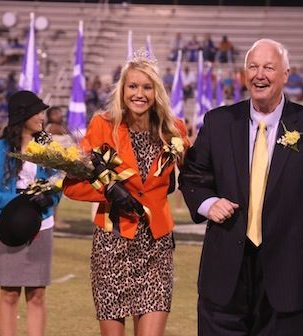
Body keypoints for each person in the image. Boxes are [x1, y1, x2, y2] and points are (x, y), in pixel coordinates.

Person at [179, 38, 303, 335]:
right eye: (253, 66)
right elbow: (192, 176)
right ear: (244, 73)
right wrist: (208, 203)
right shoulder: (218, 121)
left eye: (269, 67)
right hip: (225, 269)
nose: (259, 74)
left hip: (292, 270)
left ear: (286, 74)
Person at [63, 51, 189, 336]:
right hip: (112, 247)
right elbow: (72, 184)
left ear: (157, 91)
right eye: (133, 86)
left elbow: (196, 173)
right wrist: (109, 190)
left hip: (156, 247)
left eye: (147, 87)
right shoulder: (103, 125)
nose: (139, 94)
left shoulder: (174, 129)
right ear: (122, 90)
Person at [0, 90, 61, 336]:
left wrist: (49, 197)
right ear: (22, 115)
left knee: (37, 293)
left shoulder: (48, 146)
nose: (41, 116)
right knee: (9, 292)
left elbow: (58, 183)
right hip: (7, 225)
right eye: (37, 112)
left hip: (42, 224)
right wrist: (20, 203)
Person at [45, 106, 73, 229]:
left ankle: (54, 218)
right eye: (55, 113)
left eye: (60, 112)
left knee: (57, 194)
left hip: (63, 166)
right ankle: (52, 219)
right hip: (53, 167)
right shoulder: (50, 128)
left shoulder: (63, 128)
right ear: (49, 116)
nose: (59, 115)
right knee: (52, 193)